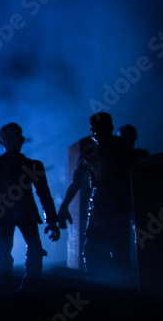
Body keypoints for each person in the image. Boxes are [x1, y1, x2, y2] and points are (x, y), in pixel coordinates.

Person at [0, 122, 60, 291]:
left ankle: (5, 289)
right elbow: (44, 194)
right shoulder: (33, 165)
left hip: (3, 215)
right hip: (25, 213)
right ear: (22, 140)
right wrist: (51, 219)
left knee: (5, 252)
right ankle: (27, 288)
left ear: (2, 142)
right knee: (33, 249)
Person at [59, 112, 137, 275]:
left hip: (117, 210)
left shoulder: (124, 155)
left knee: (119, 255)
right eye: (93, 128)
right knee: (91, 253)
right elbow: (75, 184)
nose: (96, 131)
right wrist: (64, 206)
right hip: (98, 211)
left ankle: (123, 290)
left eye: (100, 127)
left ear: (109, 129)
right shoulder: (88, 156)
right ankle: (100, 290)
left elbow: (133, 184)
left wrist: (133, 209)